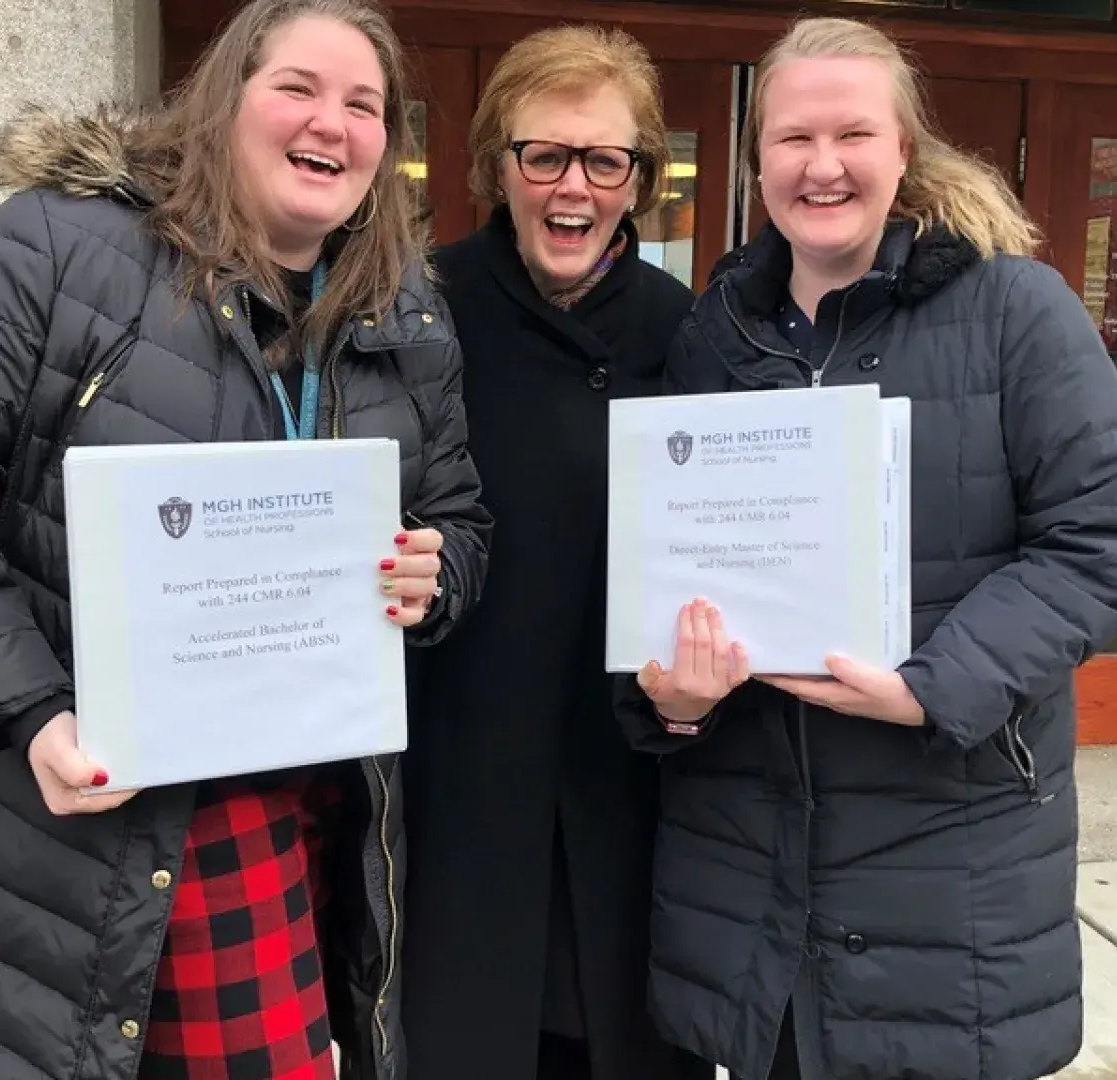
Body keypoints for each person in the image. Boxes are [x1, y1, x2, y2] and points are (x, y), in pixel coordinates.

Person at [0, 0, 490, 1077]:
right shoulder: (60, 243)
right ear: (226, 100)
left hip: (307, 822)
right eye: (299, 88)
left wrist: (437, 572)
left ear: (387, 143)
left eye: (364, 104)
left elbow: (460, 520)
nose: (332, 121)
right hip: (81, 814)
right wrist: (34, 712)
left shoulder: (406, 314)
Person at [620, 15, 1117, 1080]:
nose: (823, 166)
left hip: (947, 855)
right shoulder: (714, 335)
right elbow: (666, 571)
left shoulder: (1015, 309)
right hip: (755, 866)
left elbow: (1097, 540)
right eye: (793, 140)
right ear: (756, 160)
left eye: (853, 134)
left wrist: (931, 685)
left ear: (905, 150)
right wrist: (672, 697)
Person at [399, 25, 709, 1080]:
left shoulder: (692, 333)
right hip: (461, 777)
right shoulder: (418, 311)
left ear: (638, 180)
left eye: (604, 160)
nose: (572, 186)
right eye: (545, 156)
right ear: (499, 167)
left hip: (633, 781)